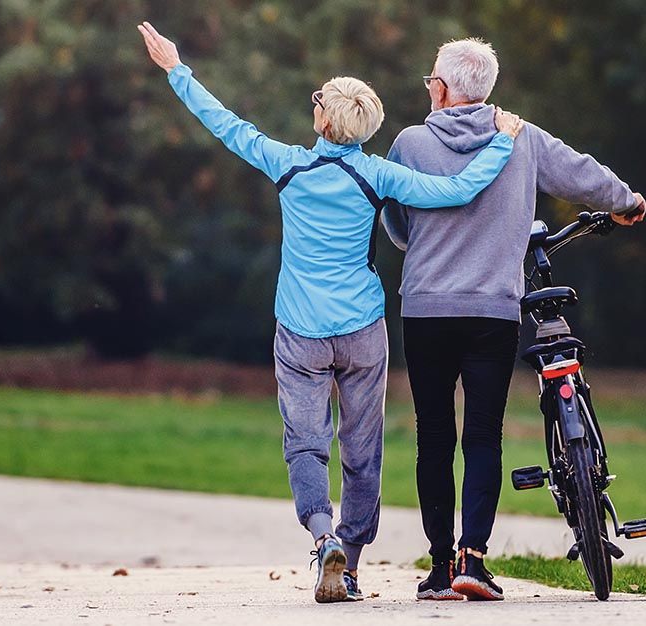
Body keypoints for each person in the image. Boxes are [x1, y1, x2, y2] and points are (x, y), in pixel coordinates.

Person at [137, 22, 525, 604]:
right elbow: (457, 192)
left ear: (323, 121)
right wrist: (502, 140)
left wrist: (176, 68)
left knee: (305, 442)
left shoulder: (286, 164)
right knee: (362, 449)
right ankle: (354, 558)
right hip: (363, 330)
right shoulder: (377, 174)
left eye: (318, 100)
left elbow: (224, 125)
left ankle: (324, 540)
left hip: (300, 330)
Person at [381, 38, 646, 602]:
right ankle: (472, 562)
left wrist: (424, 241)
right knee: (482, 435)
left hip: (426, 309)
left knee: (434, 435)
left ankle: (436, 568)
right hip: (493, 312)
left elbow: (398, 224)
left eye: (432, 78)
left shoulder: (409, 143)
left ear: (443, 87)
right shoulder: (521, 139)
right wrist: (626, 200)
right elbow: (579, 174)